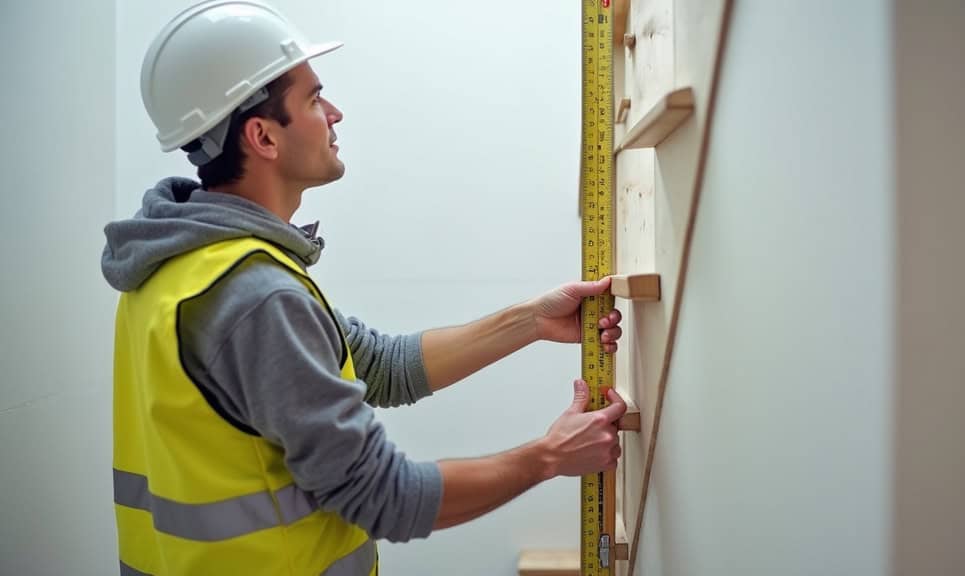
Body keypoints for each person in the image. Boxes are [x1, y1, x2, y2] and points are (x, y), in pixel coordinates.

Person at [102, 2, 627, 574]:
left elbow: (376, 365)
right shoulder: (254, 295)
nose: (335, 113)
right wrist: (549, 457)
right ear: (263, 137)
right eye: (312, 99)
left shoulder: (182, 267)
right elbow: (386, 496)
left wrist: (530, 321)